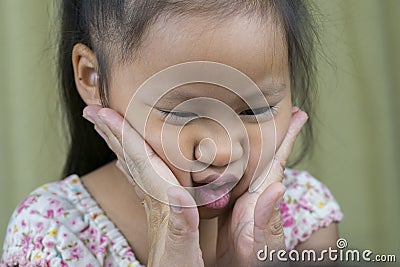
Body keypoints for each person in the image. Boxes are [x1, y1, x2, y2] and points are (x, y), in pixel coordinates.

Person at [1, 1, 343, 266]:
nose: (222, 150)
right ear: (92, 77)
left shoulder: (303, 214)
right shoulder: (54, 233)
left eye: (253, 111)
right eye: (182, 113)